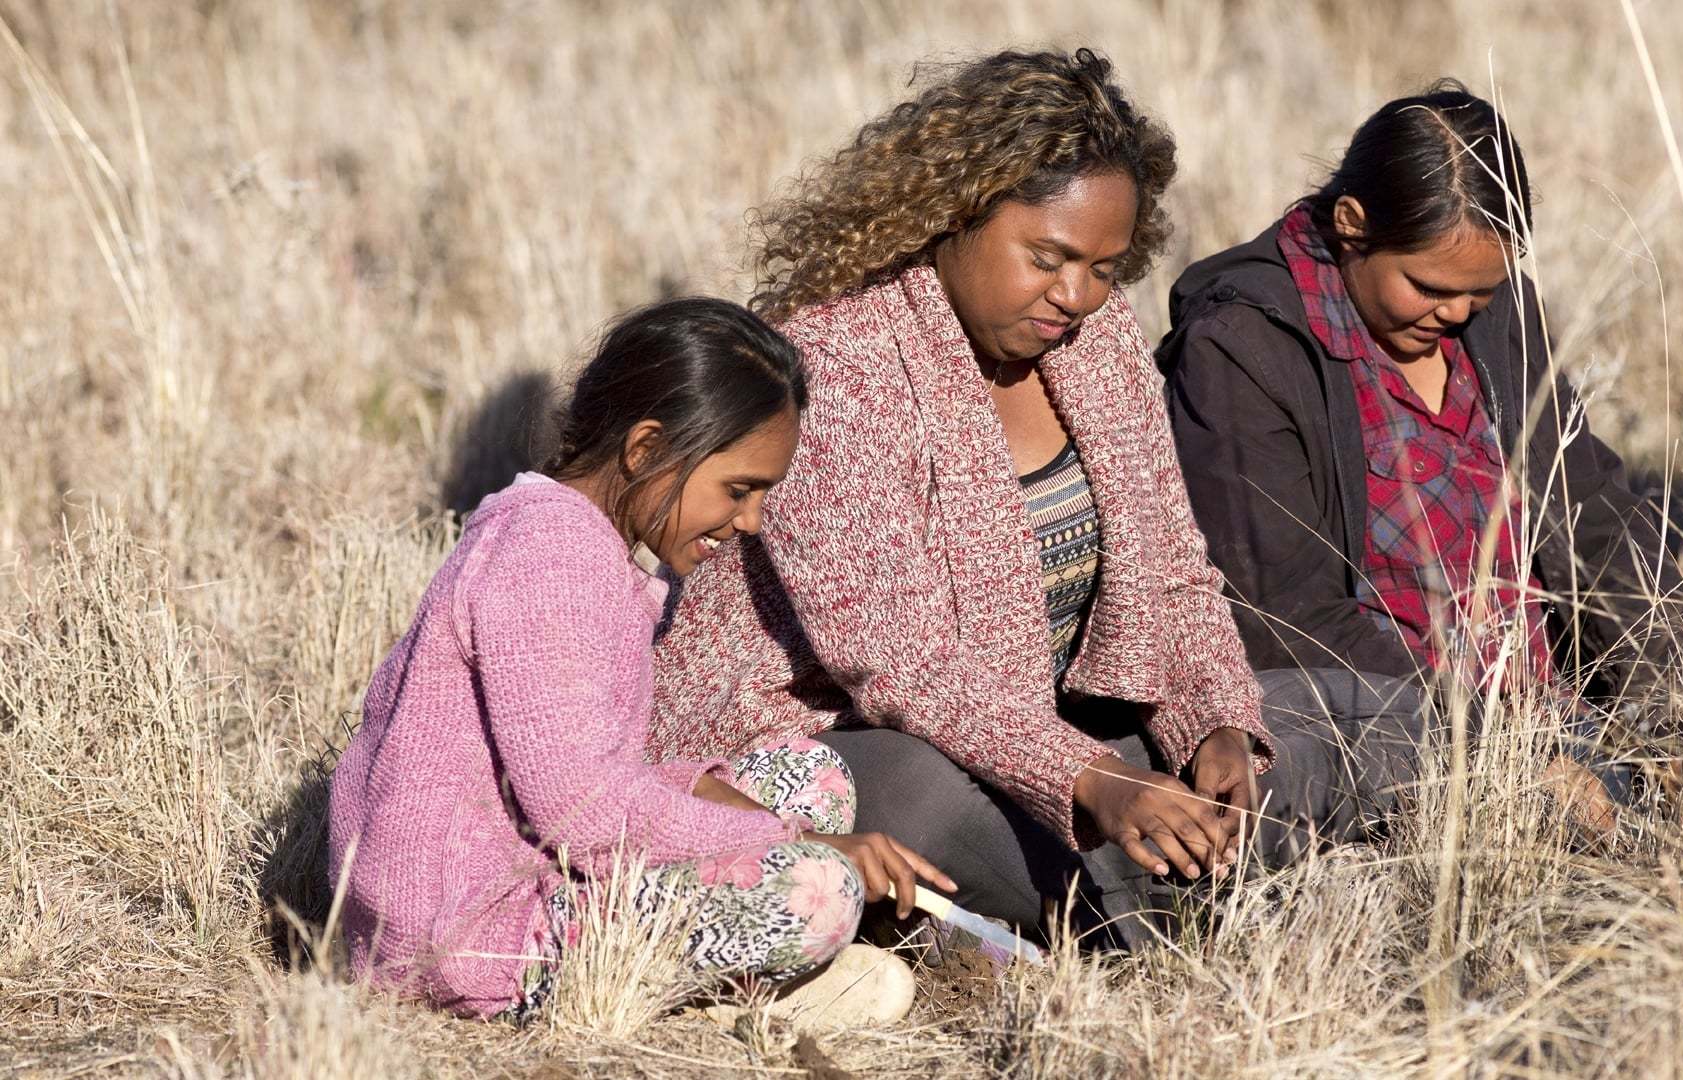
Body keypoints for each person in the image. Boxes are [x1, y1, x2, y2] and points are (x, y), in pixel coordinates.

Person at [647, 49, 1435, 948]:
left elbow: (1177, 577)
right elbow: (903, 663)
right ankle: (1173, 898)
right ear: (955, 216)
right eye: (1048, 258)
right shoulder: (837, 364)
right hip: (836, 750)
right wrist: (1092, 779)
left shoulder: (1094, 345)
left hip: (1047, 731)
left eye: (1104, 267)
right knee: (921, 805)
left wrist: (1218, 728)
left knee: (1343, 716)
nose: (1075, 294)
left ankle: (1158, 874)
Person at [327, 297, 954, 1024]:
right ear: (646, 448)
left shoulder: (586, 544)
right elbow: (584, 812)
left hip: (532, 867)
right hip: (466, 934)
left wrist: (742, 811)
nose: (749, 521)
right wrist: (793, 844)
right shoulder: (550, 556)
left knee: (805, 773)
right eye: (738, 489)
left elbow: (586, 779)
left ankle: (750, 975)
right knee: (817, 887)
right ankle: (738, 992)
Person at [1158, 81, 1683, 804]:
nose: (1457, 312)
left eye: (1481, 290)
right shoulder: (1244, 347)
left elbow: (1590, 506)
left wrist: (1666, 715)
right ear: (1352, 224)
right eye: (1429, 286)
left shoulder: (1499, 313)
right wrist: (1497, 752)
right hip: (1377, 739)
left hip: (1555, 716)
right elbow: (1286, 617)